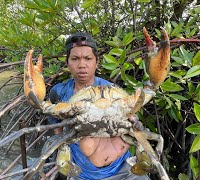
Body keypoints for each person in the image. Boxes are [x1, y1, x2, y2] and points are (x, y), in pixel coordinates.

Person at [47, 32, 150, 180]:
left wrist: (134, 123)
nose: (82, 65)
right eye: (75, 59)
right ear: (67, 62)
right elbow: (54, 122)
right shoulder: (59, 92)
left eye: (88, 58)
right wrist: (62, 142)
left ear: (96, 61)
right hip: (79, 168)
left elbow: (132, 118)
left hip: (120, 167)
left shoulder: (112, 90)